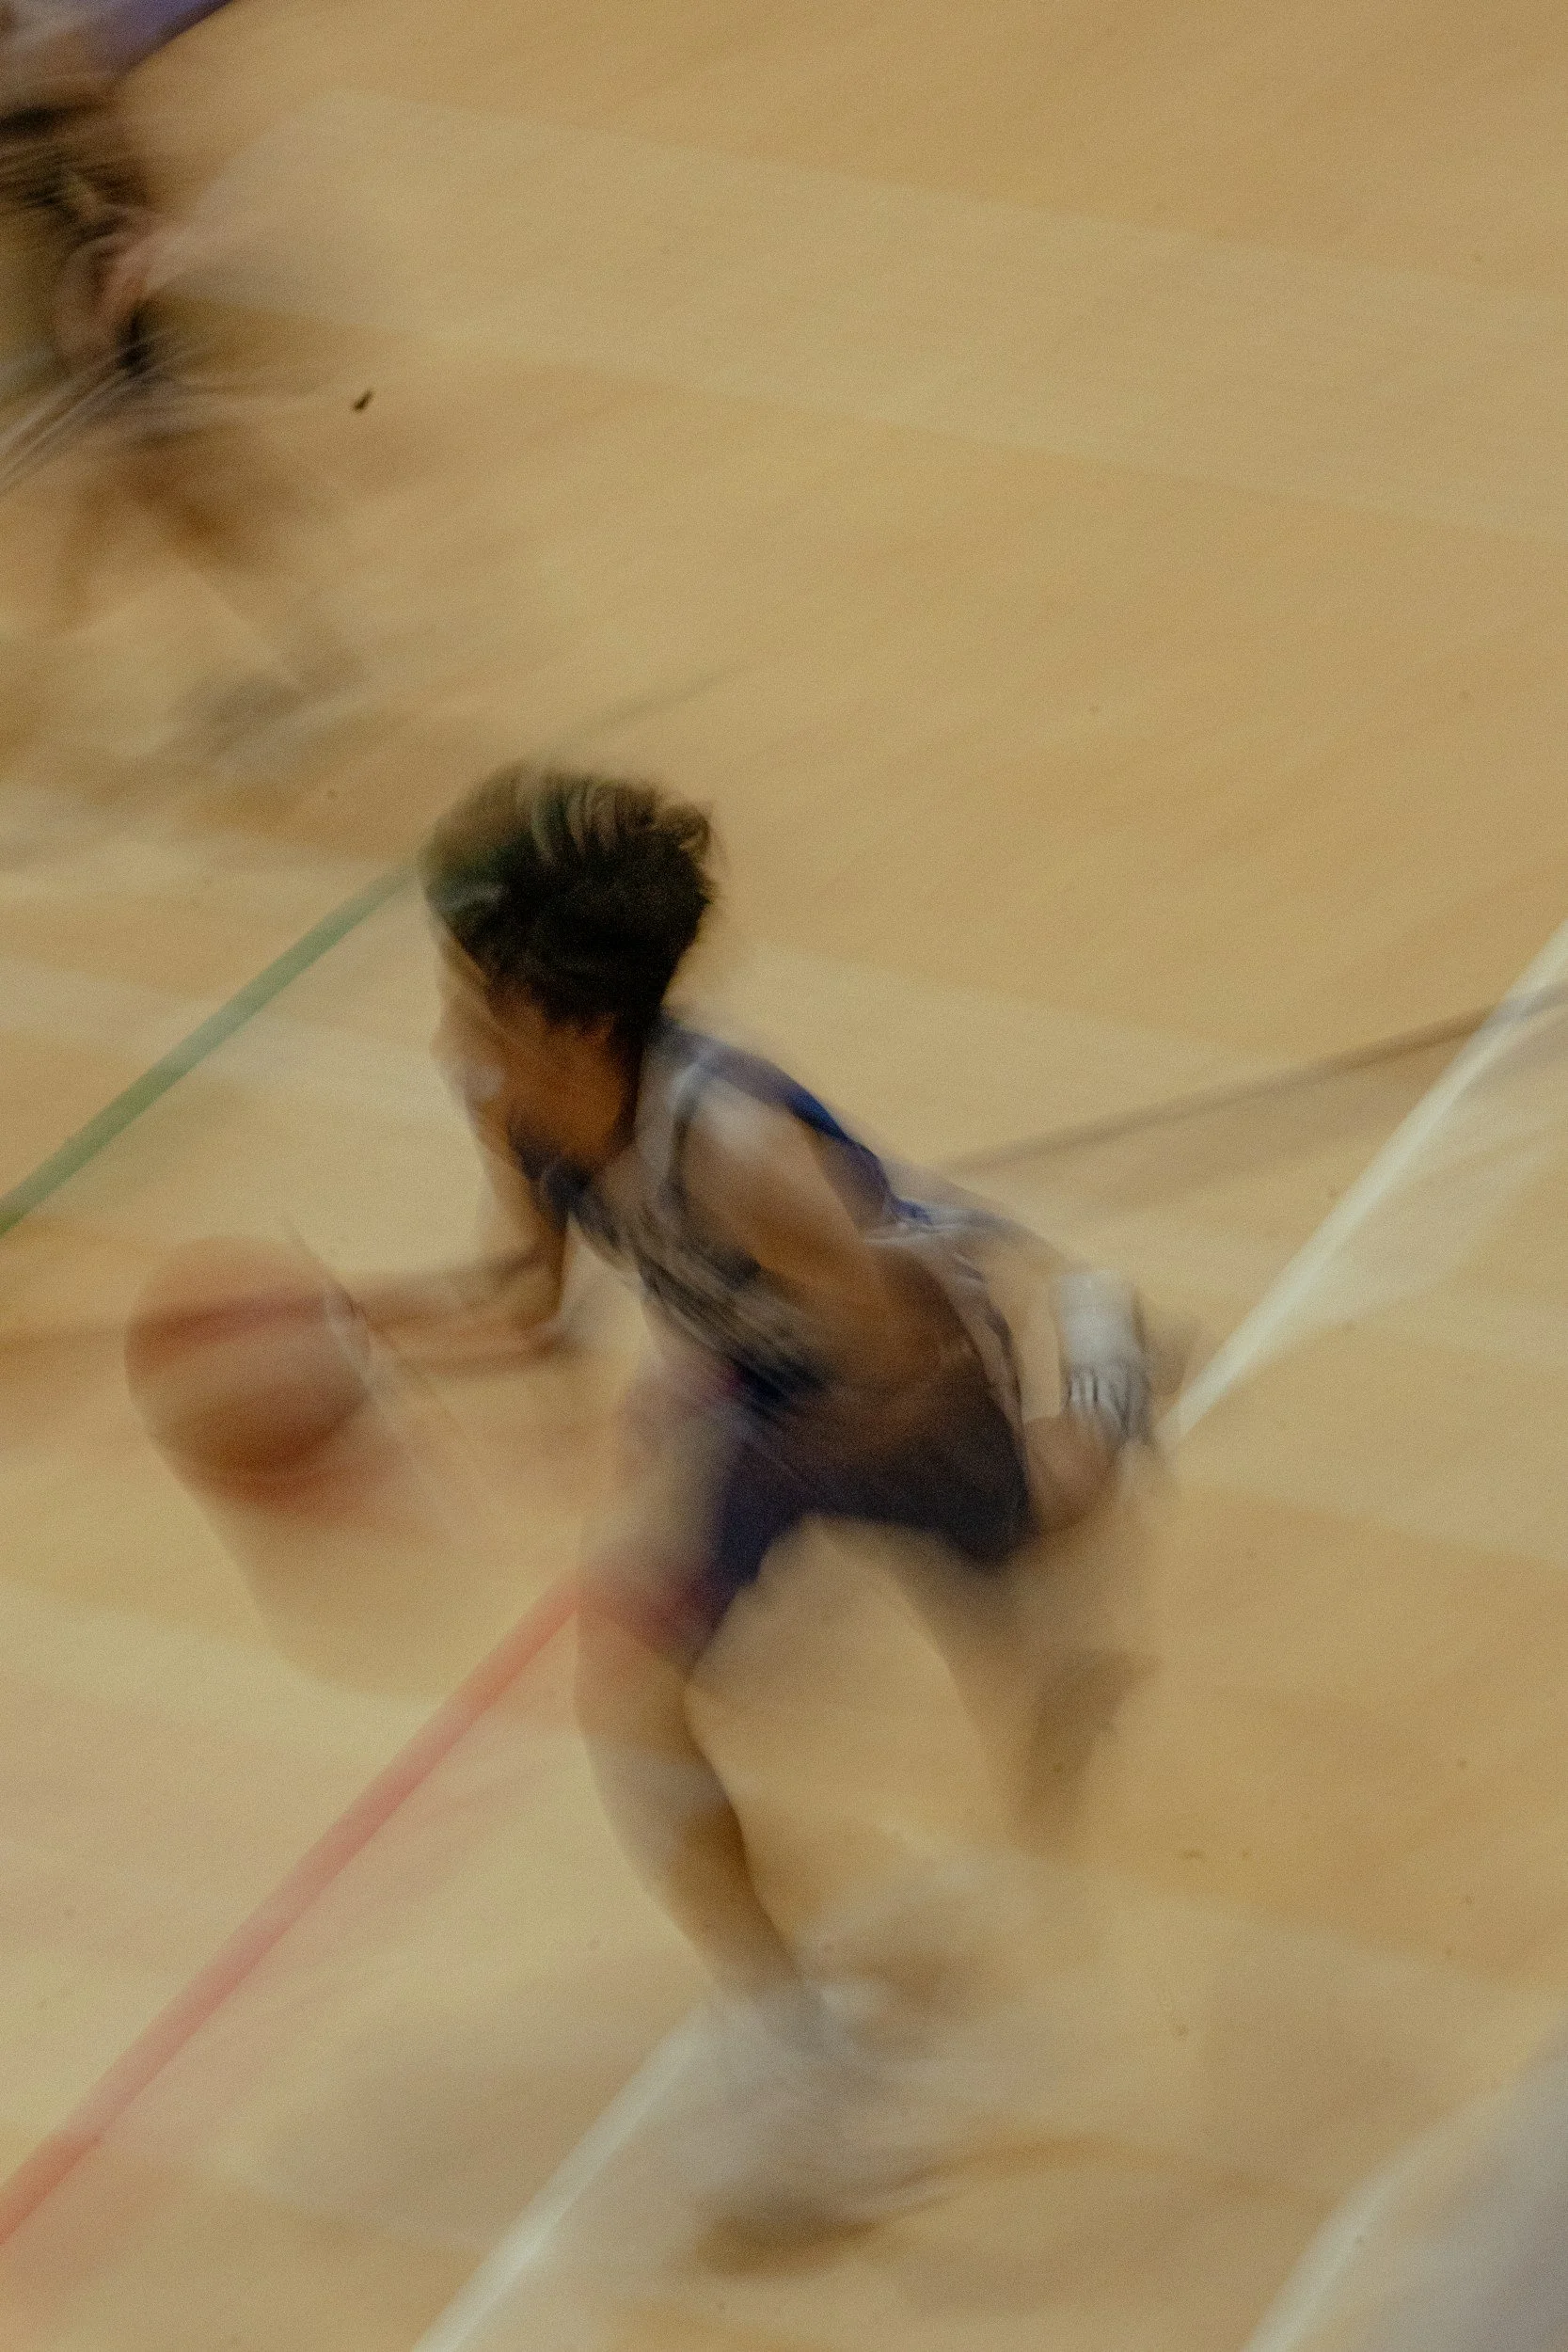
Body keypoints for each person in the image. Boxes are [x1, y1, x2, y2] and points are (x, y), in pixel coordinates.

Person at [372, 765, 1162, 2228]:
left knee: (1044, 1571)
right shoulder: (515, 1095)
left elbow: (903, 1374)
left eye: (478, 1000)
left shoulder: (737, 1156)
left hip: (908, 1366)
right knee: (638, 1690)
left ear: (580, 1020)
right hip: (758, 1377)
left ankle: (1103, 1369)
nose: (452, 1032)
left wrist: (770, 1510)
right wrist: (358, 1334)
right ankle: (789, 2035)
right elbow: (526, 1300)